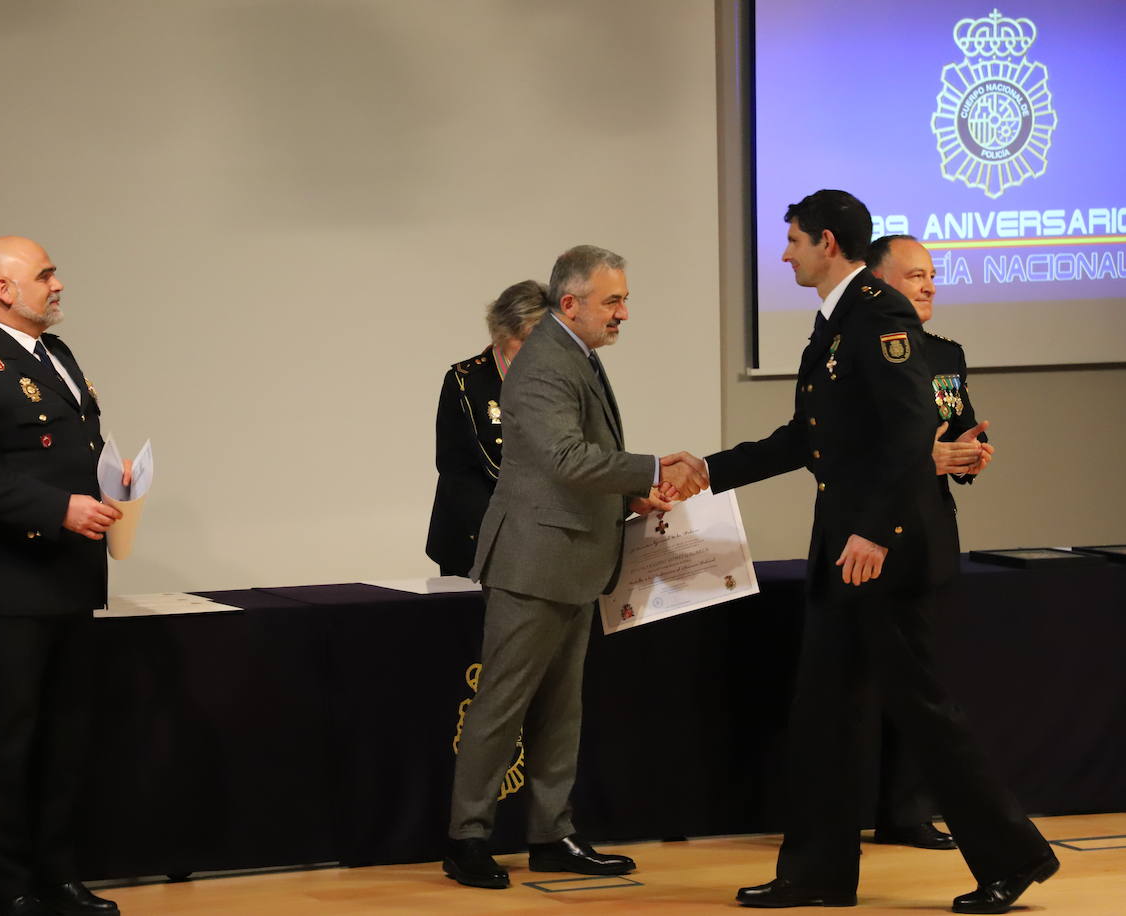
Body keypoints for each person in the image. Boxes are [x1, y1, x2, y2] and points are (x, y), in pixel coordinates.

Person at [695, 192, 1054, 912]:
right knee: (823, 712)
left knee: (923, 708)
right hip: (845, 547)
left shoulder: (878, 313)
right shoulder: (835, 323)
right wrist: (705, 472)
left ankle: (1011, 859)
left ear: (827, 242)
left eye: (793, 240)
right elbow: (806, 438)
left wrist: (874, 531)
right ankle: (817, 874)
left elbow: (910, 428)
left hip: (884, 550)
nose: (786, 252)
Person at [443, 245, 707, 890]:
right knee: (502, 704)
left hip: (571, 557)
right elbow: (566, 458)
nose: (623, 314)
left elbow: (566, 467)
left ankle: (551, 833)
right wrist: (651, 469)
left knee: (561, 709)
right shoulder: (543, 364)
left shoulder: (574, 354)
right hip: (534, 562)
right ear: (571, 304)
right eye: (612, 302)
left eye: (624, 300)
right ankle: (467, 839)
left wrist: (630, 493)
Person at [0, 237, 126, 916]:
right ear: (3, 289)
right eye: (45, 275)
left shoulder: (56, 357)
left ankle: (58, 878)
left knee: (65, 740)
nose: (59, 283)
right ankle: (7, 891)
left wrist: (111, 484)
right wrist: (57, 508)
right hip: (5, 586)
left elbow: (67, 452)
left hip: (68, 580)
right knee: (6, 748)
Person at [865, 234, 994, 851]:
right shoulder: (860, 350)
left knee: (925, 675)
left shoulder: (946, 352)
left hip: (929, 531)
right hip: (870, 533)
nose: (930, 285)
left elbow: (957, 426)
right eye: (915, 275)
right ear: (880, 281)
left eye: (932, 274)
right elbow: (858, 447)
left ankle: (906, 810)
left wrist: (969, 456)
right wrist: (929, 457)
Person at [426, 279, 548, 577]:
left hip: (543, 537)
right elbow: (457, 472)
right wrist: (499, 540)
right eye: (526, 341)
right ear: (501, 334)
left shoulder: (559, 380)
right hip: (475, 538)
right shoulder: (465, 381)